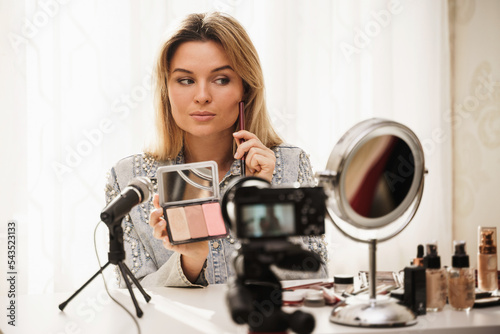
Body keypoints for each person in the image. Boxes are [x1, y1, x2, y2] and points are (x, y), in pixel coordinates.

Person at [105, 12, 328, 288]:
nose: (202, 95)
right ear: (166, 90)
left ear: (245, 89)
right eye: (185, 80)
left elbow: (315, 283)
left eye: (221, 79)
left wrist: (261, 201)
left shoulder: (290, 164)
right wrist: (192, 260)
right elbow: (133, 297)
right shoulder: (128, 178)